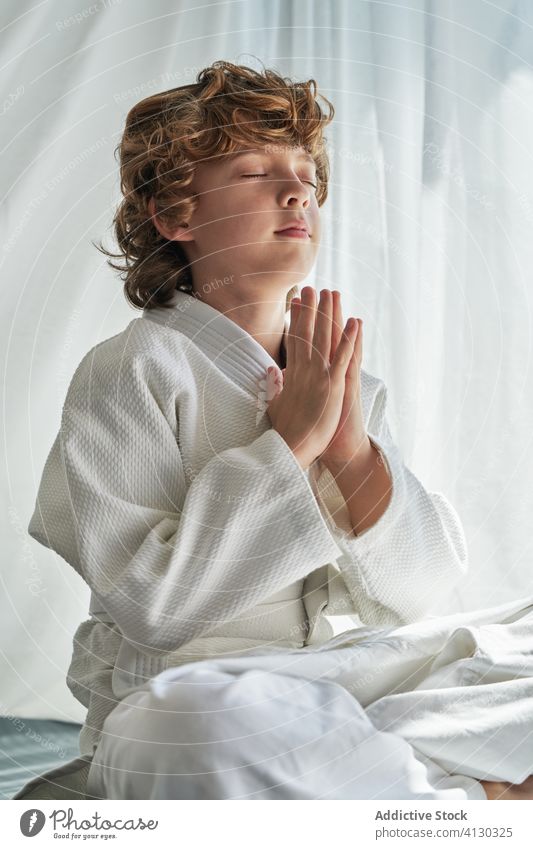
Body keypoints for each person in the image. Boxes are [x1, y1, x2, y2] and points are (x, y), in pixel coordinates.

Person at [23, 60, 533, 801]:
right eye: (254, 171)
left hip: (332, 682)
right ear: (177, 217)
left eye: (302, 172)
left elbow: (420, 595)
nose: (295, 190)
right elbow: (155, 608)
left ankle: (396, 773)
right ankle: (469, 796)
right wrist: (286, 445)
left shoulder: (335, 381)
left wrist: (349, 448)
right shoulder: (130, 369)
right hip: (191, 697)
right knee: (190, 727)